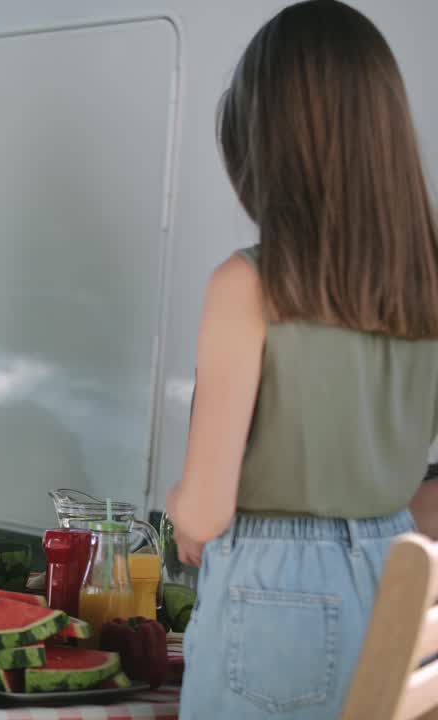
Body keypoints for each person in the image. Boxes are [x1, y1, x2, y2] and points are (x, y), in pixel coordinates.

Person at [166, 2, 438, 717]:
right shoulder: (428, 280)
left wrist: (182, 518)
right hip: (400, 579)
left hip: (274, 592)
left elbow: (203, 510)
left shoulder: (250, 283)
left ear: (268, 144)